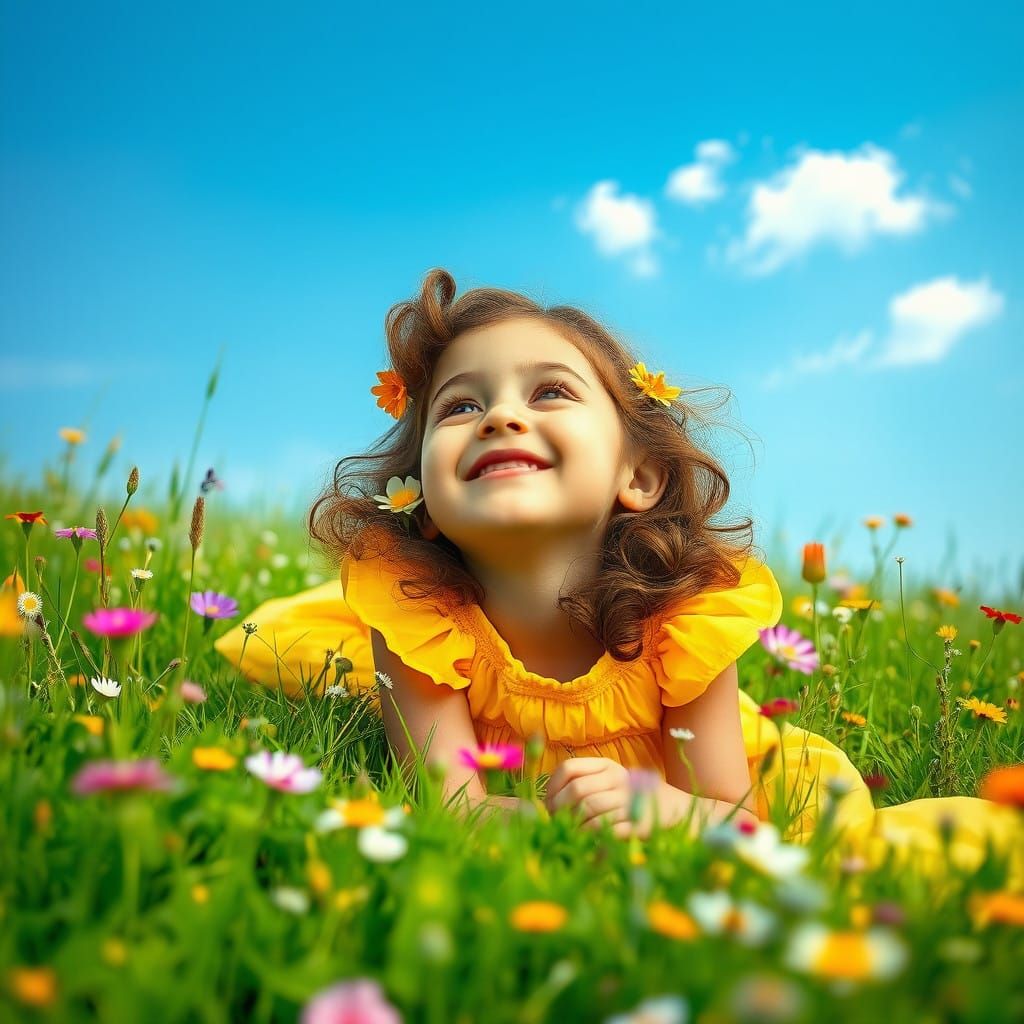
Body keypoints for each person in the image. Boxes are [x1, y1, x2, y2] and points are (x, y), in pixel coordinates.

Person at [216, 268, 1022, 883]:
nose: (500, 415)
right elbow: (449, 805)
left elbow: (729, 818)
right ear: (420, 492)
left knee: (855, 861)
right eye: (459, 407)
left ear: (636, 475)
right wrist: (546, 834)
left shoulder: (682, 618)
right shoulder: (414, 613)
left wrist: (661, 811)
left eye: (550, 392)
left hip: (693, 783)